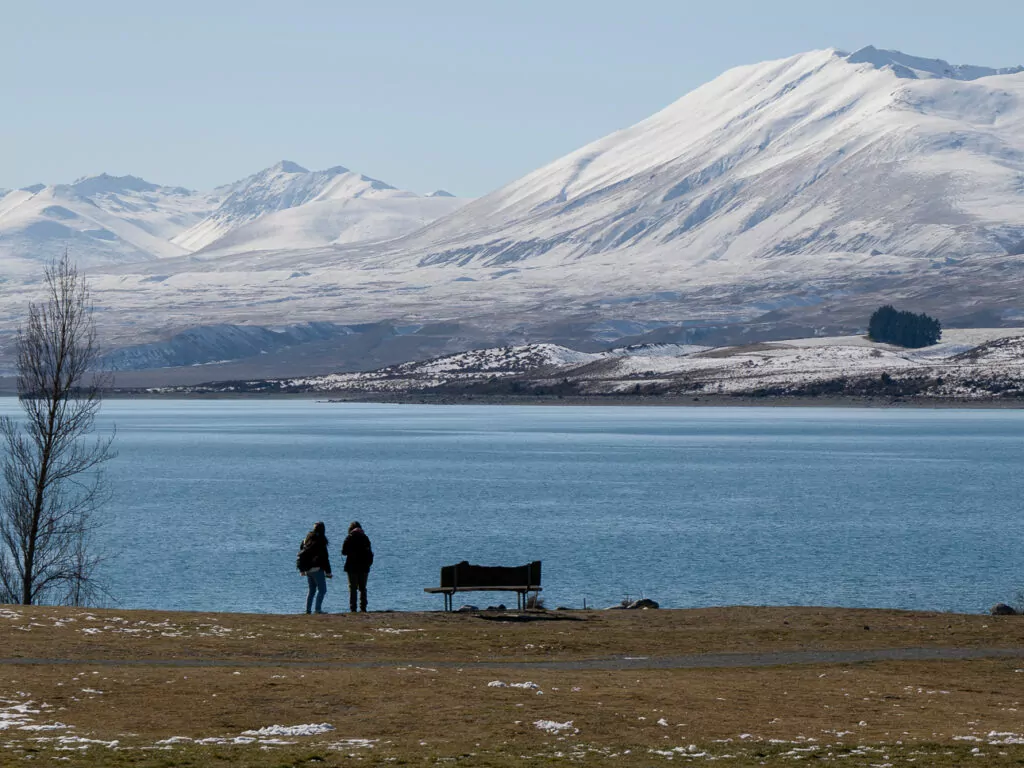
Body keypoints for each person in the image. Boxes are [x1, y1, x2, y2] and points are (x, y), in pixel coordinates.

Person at [298, 521, 333, 614]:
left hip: (308, 569)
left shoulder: (306, 539)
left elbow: (301, 553)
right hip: (317, 569)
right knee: (322, 590)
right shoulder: (321, 541)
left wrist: (302, 569)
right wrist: (328, 572)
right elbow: (325, 558)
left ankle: (308, 610)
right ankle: (318, 609)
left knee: (311, 591)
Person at [341, 521, 374, 612]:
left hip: (351, 566)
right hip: (364, 566)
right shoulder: (365, 537)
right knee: (363, 588)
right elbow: (370, 553)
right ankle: (363, 607)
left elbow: (343, 552)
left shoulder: (349, 537)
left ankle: (353, 608)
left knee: (353, 588)